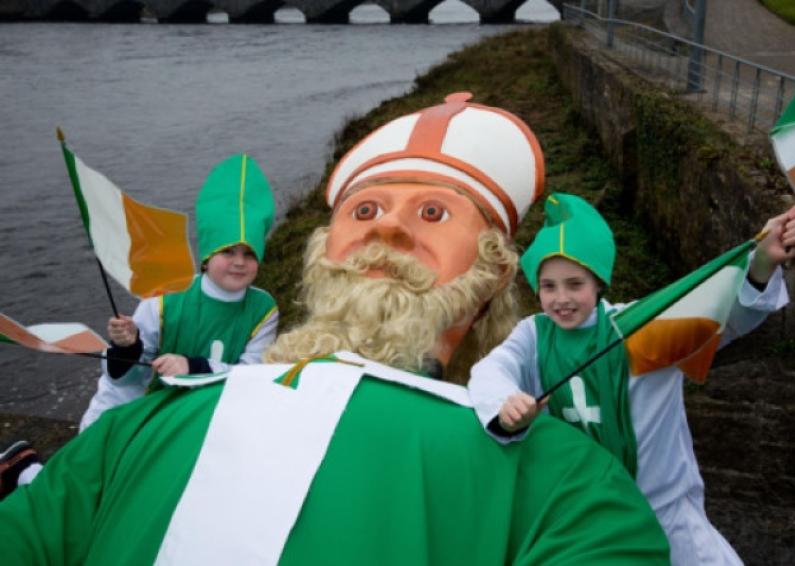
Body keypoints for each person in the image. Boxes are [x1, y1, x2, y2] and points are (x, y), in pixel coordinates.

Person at [0, 94, 670, 564]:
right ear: (325, 259)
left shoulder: (556, 479)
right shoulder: (134, 430)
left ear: (494, 275)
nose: (385, 227)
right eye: (367, 208)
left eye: (434, 213)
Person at [468, 192, 795, 565]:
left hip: (665, 517)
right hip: (588, 520)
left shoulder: (643, 327)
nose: (561, 298)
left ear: (598, 284)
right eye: (549, 286)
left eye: (575, 284)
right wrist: (506, 403)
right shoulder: (533, 335)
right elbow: (491, 370)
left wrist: (762, 265)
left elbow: (723, 317)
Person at [0, 153, 279, 498]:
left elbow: (252, 376)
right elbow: (121, 379)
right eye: (228, 252)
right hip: (131, 414)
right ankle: (24, 471)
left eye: (249, 254)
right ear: (207, 256)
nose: (239, 263)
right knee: (85, 497)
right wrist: (127, 346)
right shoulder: (165, 298)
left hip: (194, 418)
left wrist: (190, 366)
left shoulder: (263, 309)